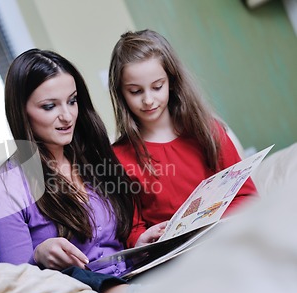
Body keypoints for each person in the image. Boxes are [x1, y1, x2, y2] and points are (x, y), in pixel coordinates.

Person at [0, 49, 165, 282]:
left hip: (133, 281)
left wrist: (139, 247)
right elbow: (15, 285)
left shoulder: (92, 160)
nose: (68, 116)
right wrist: (38, 257)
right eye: (50, 106)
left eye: (72, 101)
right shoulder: (4, 190)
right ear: (21, 112)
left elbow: (113, 247)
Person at [108, 29, 258, 247]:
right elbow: (132, 228)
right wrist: (139, 240)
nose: (148, 100)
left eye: (157, 87)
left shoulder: (207, 131)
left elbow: (247, 196)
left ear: (171, 81)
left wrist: (211, 224)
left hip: (226, 243)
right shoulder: (119, 157)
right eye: (135, 91)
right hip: (173, 258)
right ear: (121, 93)